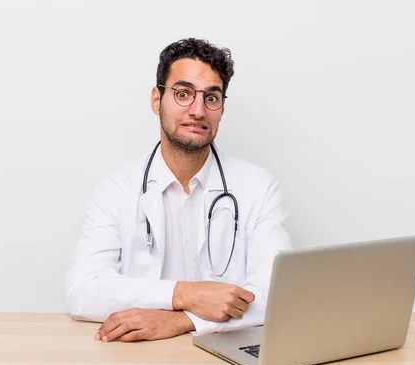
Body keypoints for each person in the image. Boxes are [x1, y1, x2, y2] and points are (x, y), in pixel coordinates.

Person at [65, 38, 292, 342]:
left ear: (222, 108)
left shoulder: (257, 187)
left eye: (211, 98)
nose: (198, 110)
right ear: (156, 100)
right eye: (183, 94)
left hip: (227, 364)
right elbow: (83, 291)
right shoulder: (117, 188)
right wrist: (184, 294)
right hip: (137, 362)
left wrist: (183, 320)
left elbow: (279, 296)